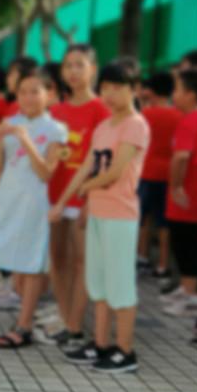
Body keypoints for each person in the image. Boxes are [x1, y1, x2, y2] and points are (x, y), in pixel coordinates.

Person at [48, 62, 148, 372]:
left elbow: (116, 171)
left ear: (133, 89)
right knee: (99, 283)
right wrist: (64, 200)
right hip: (99, 213)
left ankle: (125, 350)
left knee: (120, 285)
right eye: (107, 87)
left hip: (121, 215)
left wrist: (85, 190)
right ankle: (101, 343)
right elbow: (85, 166)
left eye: (118, 87)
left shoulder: (135, 125)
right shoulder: (105, 128)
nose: (111, 93)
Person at [0, 69, 66, 348]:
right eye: (23, 92)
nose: (28, 97)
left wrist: (25, 138)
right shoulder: (10, 122)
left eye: (35, 91)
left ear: (49, 93)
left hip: (34, 206)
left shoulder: (56, 129)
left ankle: (24, 326)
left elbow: (45, 173)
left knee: (30, 267)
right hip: (5, 200)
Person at [45, 44, 110, 345]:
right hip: (54, 195)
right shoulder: (55, 111)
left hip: (84, 198)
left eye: (80, 65)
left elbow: (101, 160)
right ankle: (64, 313)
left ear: (92, 69)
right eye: (68, 65)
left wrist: (91, 198)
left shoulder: (101, 110)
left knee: (83, 261)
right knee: (58, 259)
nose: (73, 71)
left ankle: (74, 325)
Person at [161, 67, 197, 318]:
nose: (173, 95)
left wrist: (176, 187)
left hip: (188, 197)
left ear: (190, 94)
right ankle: (189, 292)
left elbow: (181, 157)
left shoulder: (189, 121)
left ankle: (189, 294)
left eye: (177, 90)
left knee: (185, 244)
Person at [137, 71, 178, 279]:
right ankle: (163, 264)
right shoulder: (179, 115)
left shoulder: (145, 115)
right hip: (168, 174)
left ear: (150, 91)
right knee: (163, 222)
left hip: (146, 171)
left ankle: (141, 257)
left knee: (142, 219)